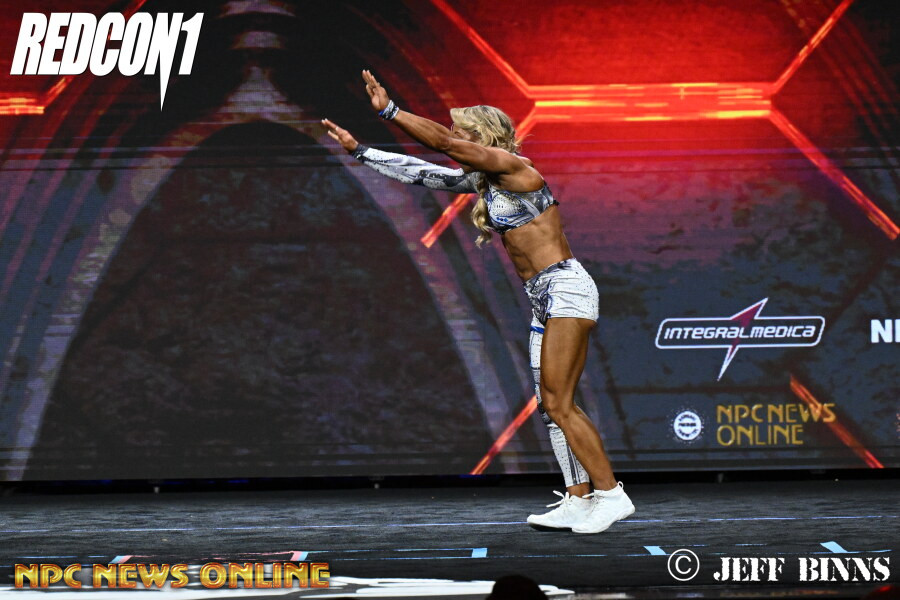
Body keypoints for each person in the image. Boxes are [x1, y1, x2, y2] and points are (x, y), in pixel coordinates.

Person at [321, 70, 634, 534]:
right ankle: (578, 497)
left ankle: (611, 495)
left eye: (461, 132)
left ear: (482, 136)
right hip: (542, 299)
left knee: (561, 403)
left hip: (566, 289)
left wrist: (391, 111)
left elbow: (442, 146)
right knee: (550, 406)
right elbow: (423, 172)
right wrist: (360, 151)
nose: (454, 137)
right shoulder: (486, 182)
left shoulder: (515, 168)